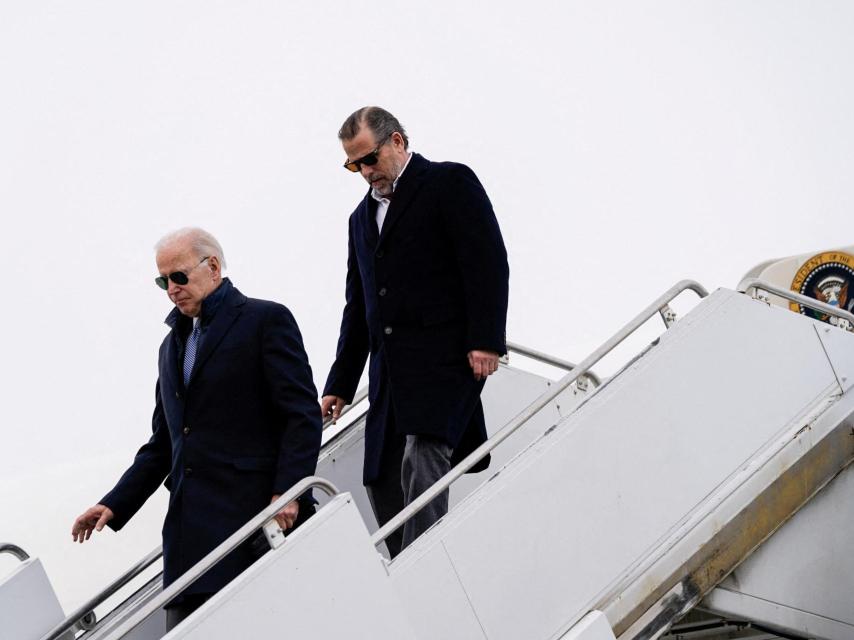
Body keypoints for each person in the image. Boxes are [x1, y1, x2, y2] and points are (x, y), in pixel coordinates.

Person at [71, 228, 322, 630]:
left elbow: (301, 415)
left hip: (257, 524)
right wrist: (115, 503)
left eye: (179, 277)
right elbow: (162, 445)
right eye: (163, 281)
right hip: (190, 543)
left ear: (213, 267)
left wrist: (289, 492)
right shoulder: (170, 348)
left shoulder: (264, 320)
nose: (171, 289)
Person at [321, 107, 509, 557]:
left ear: (398, 142)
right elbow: (359, 306)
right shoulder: (359, 220)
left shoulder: (448, 182)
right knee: (380, 478)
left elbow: (486, 261)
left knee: (423, 453)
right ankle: (408, 565)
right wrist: (340, 384)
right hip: (391, 372)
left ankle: (426, 562)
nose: (365, 172)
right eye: (354, 165)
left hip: (444, 358)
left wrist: (486, 339)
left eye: (369, 159)